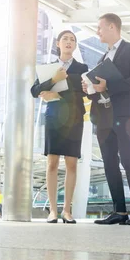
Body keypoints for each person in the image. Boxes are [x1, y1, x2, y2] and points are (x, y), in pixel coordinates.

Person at [81, 13, 130, 226]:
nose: (97, 32)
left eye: (99, 28)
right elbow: (99, 89)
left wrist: (107, 86)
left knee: (128, 160)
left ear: (111, 27)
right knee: (109, 163)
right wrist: (89, 89)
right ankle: (119, 210)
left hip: (124, 114)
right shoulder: (103, 58)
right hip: (104, 116)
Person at [31, 30, 87, 224]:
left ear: (75, 45)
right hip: (54, 118)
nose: (69, 42)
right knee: (52, 162)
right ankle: (53, 210)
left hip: (74, 118)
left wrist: (56, 95)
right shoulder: (48, 68)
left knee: (71, 163)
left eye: (72, 39)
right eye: (65, 39)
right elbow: (35, 90)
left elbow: (81, 93)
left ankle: (67, 211)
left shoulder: (82, 67)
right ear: (58, 44)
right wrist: (54, 79)